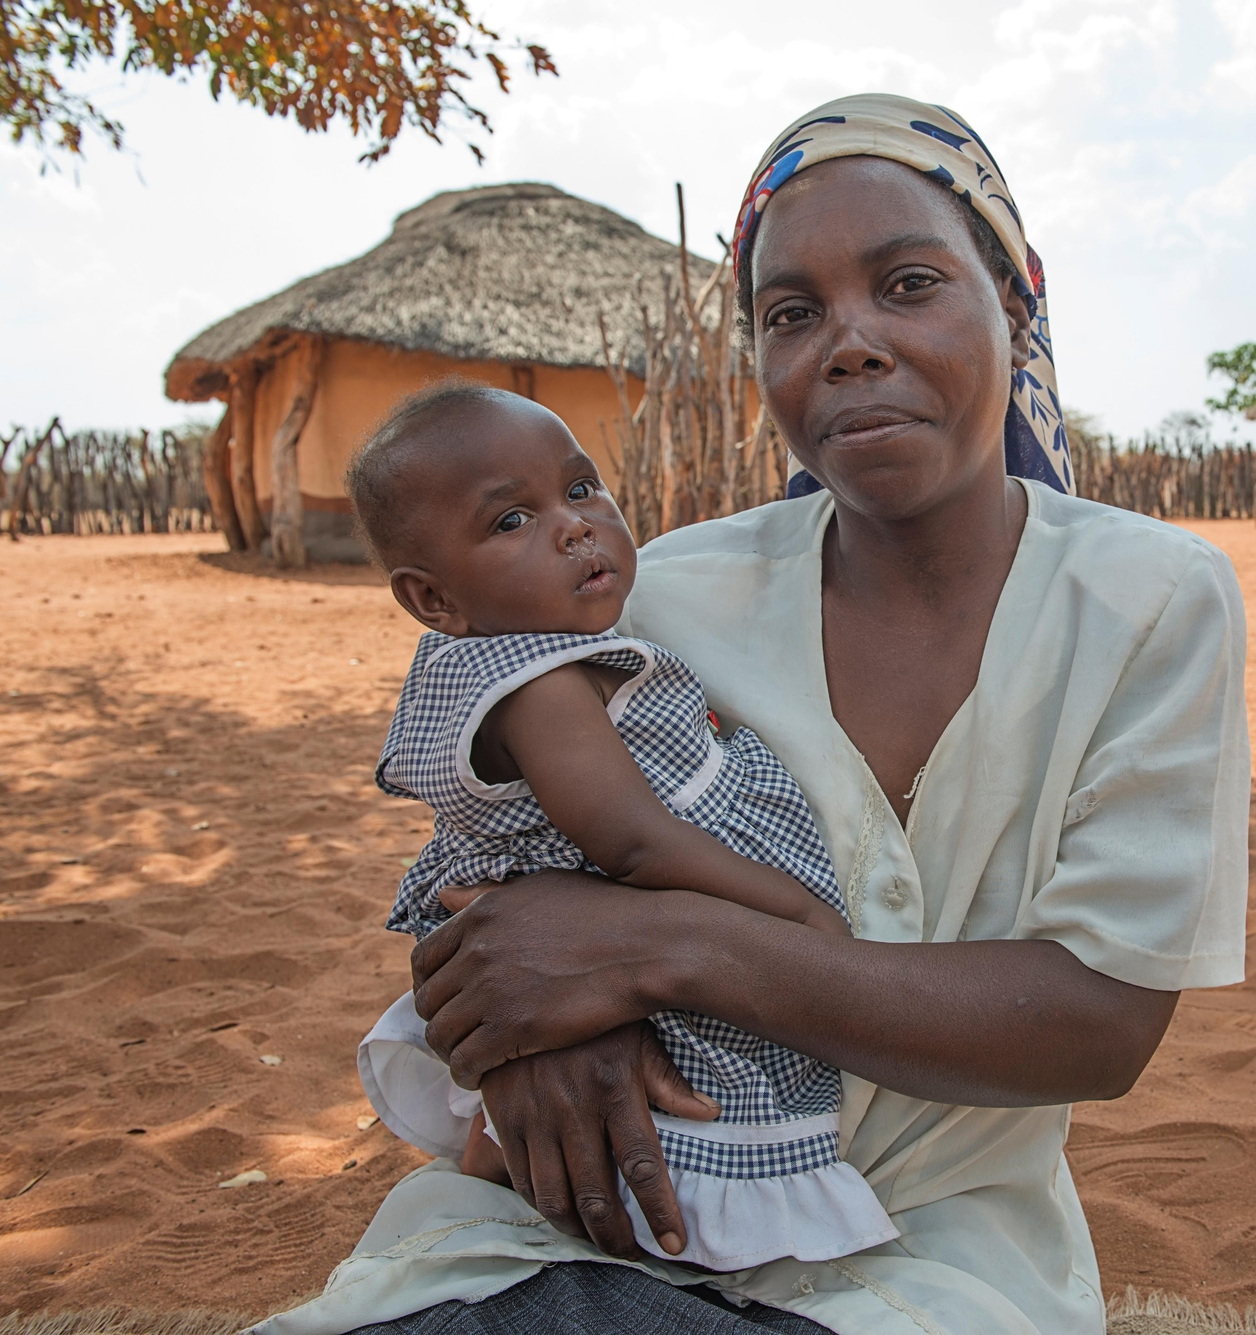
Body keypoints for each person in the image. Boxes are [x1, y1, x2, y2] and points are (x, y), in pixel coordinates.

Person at [255, 93, 1248, 1335]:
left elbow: (1094, 1026)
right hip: (613, 1215)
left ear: (1012, 301)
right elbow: (485, 894)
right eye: (791, 314)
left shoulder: (1147, 601)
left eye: (908, 284)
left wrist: (666, 949)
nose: (849, 343)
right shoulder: (657, 600)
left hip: (932, 1255)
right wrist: (537, 1041)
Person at [340, 383, 897, 1273]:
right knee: (682, 1113)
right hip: (619, 932)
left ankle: (489, 1210)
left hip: (575, 936)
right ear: (433, 597)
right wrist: (795, 914)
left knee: (530, 1141)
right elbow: (633, 843)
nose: (574, 527)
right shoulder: (538, 685)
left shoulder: (515, 652)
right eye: (512, 520)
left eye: (580, 488)